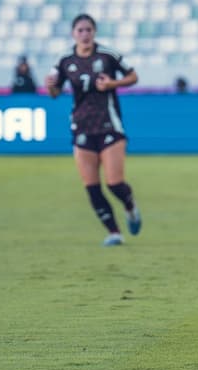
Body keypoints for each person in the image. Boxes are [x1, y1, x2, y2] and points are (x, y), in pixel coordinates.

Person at [44, 13, 143, 247]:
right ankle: (114, 232)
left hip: (109, 125)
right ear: (73, 33)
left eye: (88, 30)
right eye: (80, 30)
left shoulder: (108, 55)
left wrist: (113, 84)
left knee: (114, 183)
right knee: (91, 186)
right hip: (82, 127)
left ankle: (130, 206)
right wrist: (50, 87)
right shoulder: (64, 59)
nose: (85, 34)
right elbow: (55, 92)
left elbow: (133, 76)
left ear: (94, 32)